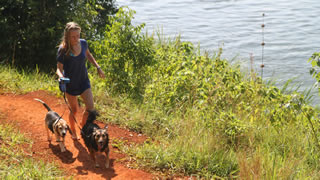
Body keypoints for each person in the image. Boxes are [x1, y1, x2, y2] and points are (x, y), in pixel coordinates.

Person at [56, 22, 105, 140]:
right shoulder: (63, 49)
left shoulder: (83, 43)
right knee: (74, 109)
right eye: (73, 36)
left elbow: (88, 55)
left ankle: (83, 128)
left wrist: (98, 67)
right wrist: (61, 77)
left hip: (83, 81)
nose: (76, 39)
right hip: (70, 84)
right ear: (67, 36)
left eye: (78, 35)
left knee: (90, 108)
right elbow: (58, 68)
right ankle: (73, 131)